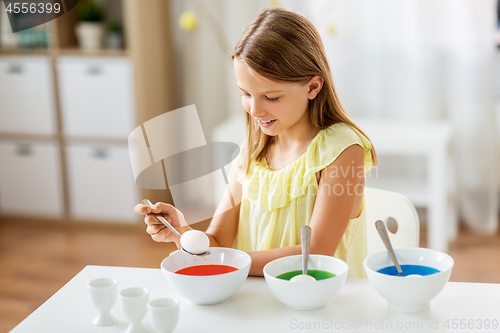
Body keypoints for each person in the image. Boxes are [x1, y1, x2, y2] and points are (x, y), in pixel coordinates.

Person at [134, 8, 376, 278]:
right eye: (246, 94)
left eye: (271, 97)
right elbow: (218, 241)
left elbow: (317, 253)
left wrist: (231, 262)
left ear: (313, 87)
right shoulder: (252, 152)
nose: (255, 110)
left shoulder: (342, 150)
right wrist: (183, 233)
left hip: (322, 308)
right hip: (261, 304)